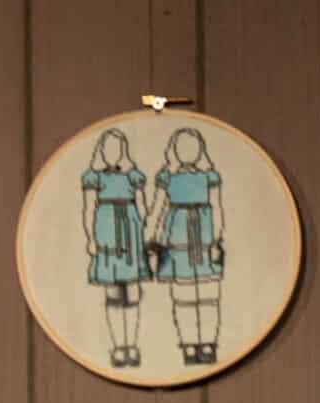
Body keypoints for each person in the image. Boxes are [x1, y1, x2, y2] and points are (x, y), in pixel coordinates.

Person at [151, 125, 226, 364]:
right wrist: (152, 238)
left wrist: (216, 239)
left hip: (204, 239)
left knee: (208, 295)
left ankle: (209, 342)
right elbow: (158, 208)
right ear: (173, 150)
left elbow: (217, 207)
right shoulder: (167, 178)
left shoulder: (209, 177)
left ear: (200, 149)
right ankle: (189, 344)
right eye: (182, 147)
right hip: (177, 239)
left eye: (192, 147)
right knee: (183, 296)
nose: (187, 152)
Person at [81, 127, 152, 369]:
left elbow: (143, 209)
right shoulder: (95, 178)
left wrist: (141, 219)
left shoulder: (133, 177)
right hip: (107, 235)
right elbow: (88, 209)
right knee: (113, 294)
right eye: (108, 148)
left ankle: (132, 344)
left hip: (130, 235)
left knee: (132, 292)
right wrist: (91, 238)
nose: (113, 153)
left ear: (124, 151)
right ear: (101, 151)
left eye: (117, 149)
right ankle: (118, 346)